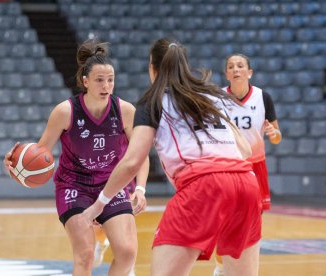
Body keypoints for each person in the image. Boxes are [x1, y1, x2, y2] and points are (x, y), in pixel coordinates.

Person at [83, 38, 262, 276]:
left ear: (152, 69)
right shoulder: (214, 97)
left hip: (203, 185)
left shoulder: (153, 101)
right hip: (247, 184)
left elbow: (132, 161)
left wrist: (98, 205)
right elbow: (245, 150)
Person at [3, 39, 149, 276]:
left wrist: (140, 188)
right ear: (85, 81)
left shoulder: (125, 110)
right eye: (99, 80)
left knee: (127, 253)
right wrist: (16, 164)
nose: (106, 85)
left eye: (110, 80)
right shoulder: (65, 111)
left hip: (111, 184)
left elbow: (140, 154)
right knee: (85, 254)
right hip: (74, 186)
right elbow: (41, 152)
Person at [212, 54, 282, 276]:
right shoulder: (218, 98)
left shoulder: (263, 97)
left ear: (249, 72)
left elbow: (278, 136)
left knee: (252, 224)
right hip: (228, 167)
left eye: (240, 66)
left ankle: (245, 268)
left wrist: (274, 133)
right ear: (226, 74)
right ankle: (221, 266)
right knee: (223, 222)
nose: (236, 69)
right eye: (231, 66)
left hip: (255, 167)